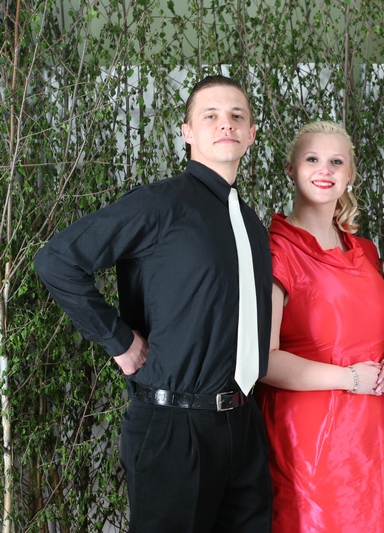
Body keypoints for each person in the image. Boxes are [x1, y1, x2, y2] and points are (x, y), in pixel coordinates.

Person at [34, 75, 273, 532]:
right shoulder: (158, 204)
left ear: (251, 134)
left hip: (243, 426)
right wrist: (119, 341)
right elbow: (57, 261)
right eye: (211, 115)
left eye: (236, 116)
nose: (226, 124)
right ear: (187, 132)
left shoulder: (250, 224)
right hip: (174, 428)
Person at [254, 120, 384, 533]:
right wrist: (349, 378)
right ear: (291, 169)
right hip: (309, 435)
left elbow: (366, 332)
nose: (325, 169)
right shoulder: (275, 251)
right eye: (312, 159)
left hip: (370, 428)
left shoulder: (365, 250)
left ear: (349, 173)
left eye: (336, 161)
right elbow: (264, 361)